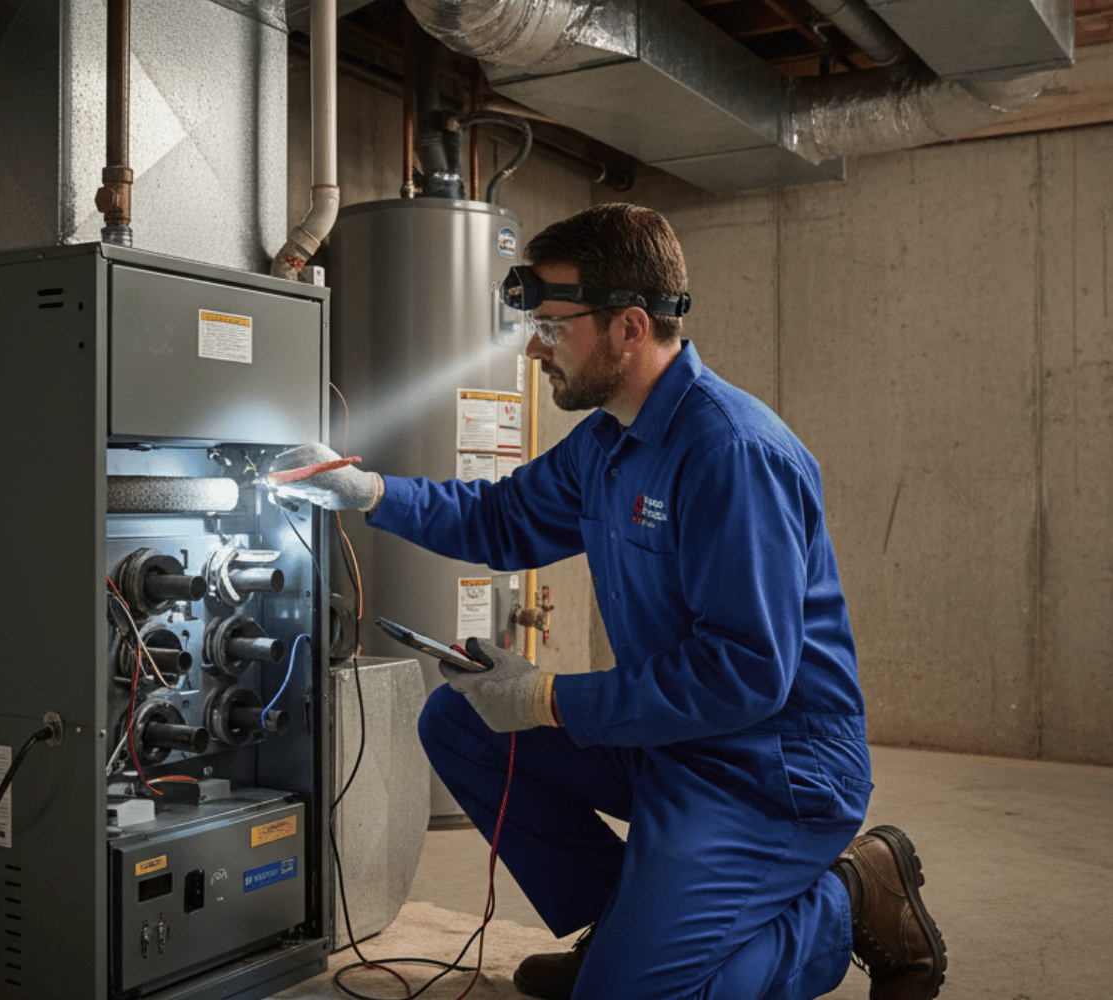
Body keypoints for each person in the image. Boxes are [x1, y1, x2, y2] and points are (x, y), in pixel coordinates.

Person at [270, 204, 946, 1000]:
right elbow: (503, 519)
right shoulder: (609, 441)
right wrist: (371, 491)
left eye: (553, 326)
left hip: (770, 769)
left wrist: (550, 697)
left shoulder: (731, 453)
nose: (533, 345)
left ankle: (845, 900)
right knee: (462, 720)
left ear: (629, 327)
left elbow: (744, 674)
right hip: (676, 743)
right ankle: (620, 927)